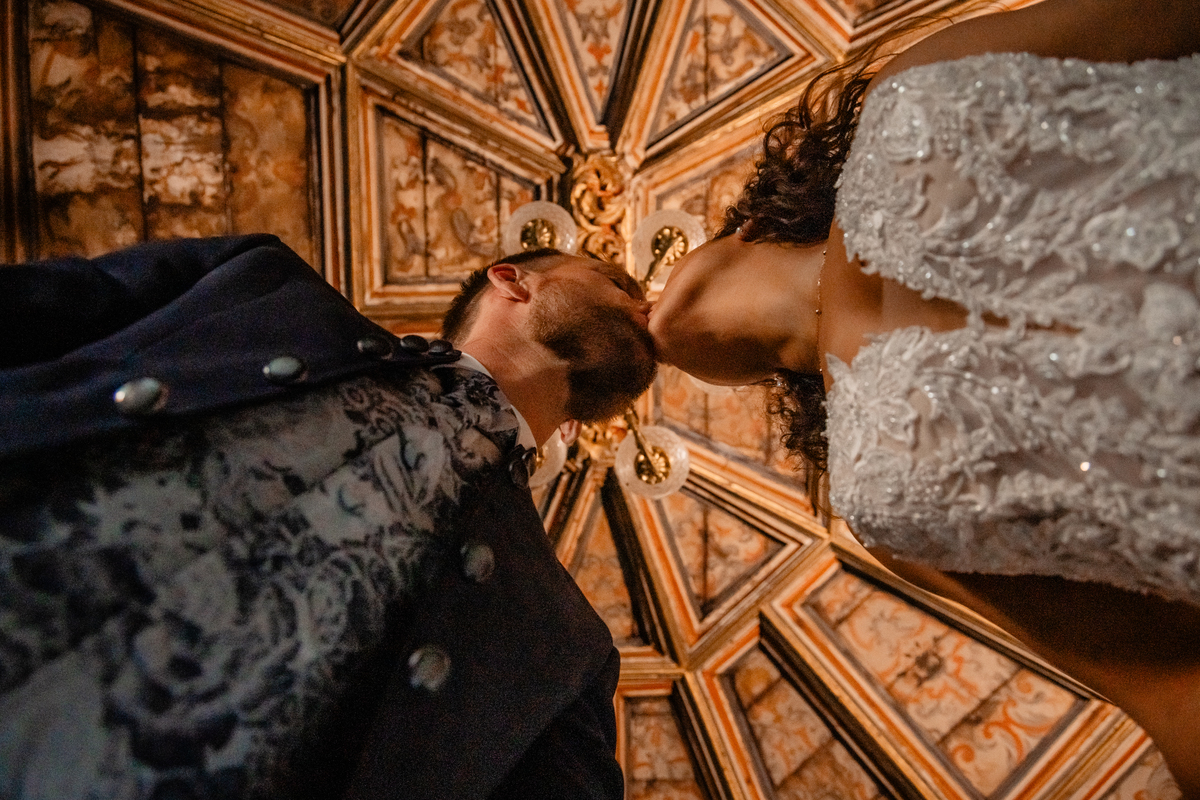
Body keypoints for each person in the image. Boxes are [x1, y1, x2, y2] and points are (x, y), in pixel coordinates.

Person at [649, 0, 1200, 791]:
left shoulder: (911, 95)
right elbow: (1169, 684)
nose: (640, 299)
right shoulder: (873, 509)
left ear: (739, 226)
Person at [0, 233, 655, 799]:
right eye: (618, 281)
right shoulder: (260, 282)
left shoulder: (565, 649)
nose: (645, 301)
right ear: (513, 280)